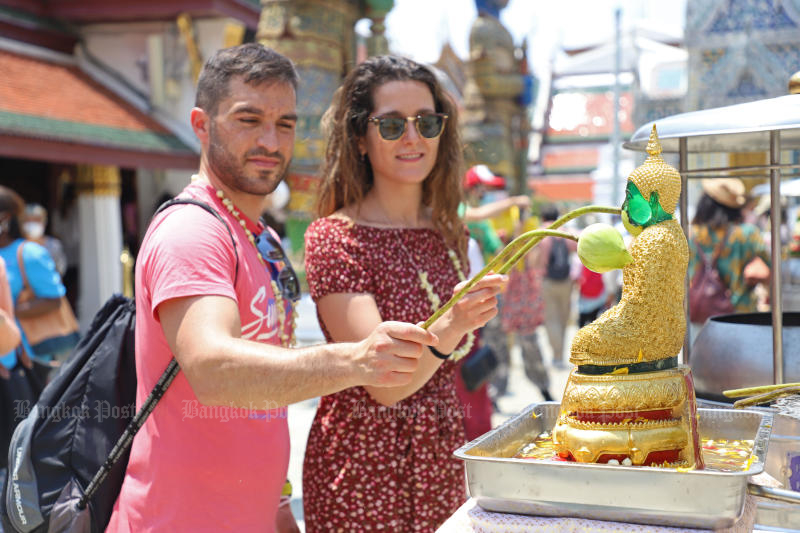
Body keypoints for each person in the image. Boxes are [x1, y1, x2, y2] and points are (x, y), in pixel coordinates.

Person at [106, 44, 440, 533]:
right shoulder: (192, 232)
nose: (271, 140)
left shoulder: (263, 238)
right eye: (249, 119)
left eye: (285, 123)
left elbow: (264, 391)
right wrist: (356, 360)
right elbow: (215, 369)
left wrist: (278, 504)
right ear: (202, 125)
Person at [303, 55, 505, 532]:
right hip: (360, 471)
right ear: (359, 138)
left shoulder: (450, 235)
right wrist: (454, 323)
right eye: (391, 125)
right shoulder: (335, 238)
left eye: (427, 122)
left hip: (440, 458)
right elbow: (384, 382)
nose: (413, 138)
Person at [689, 178, 770, 340]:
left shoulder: (692, 234)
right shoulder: (748, 234)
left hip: (701, 313)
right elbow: (768, 270)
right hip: (742, 315)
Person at [0, 187, 68, 368]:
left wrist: (8, 312)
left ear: (5, 218)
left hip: (19, 360)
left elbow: (54, 300)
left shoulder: (30, 254)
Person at [538, 204, 577, 369]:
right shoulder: (564, 231)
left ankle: (557, 354)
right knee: (563, 318)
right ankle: (560, 353)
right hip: (566, 281)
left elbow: (540, 261)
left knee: (551, 319)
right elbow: (577, 247)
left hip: (549, 281)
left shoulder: (542, 233)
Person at [22, 203, 67, 277]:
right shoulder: (16, 245)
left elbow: (59, 271)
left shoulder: (54, 245)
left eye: (36, 220)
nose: (32, 223)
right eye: (28, 220)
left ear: (44, 222)